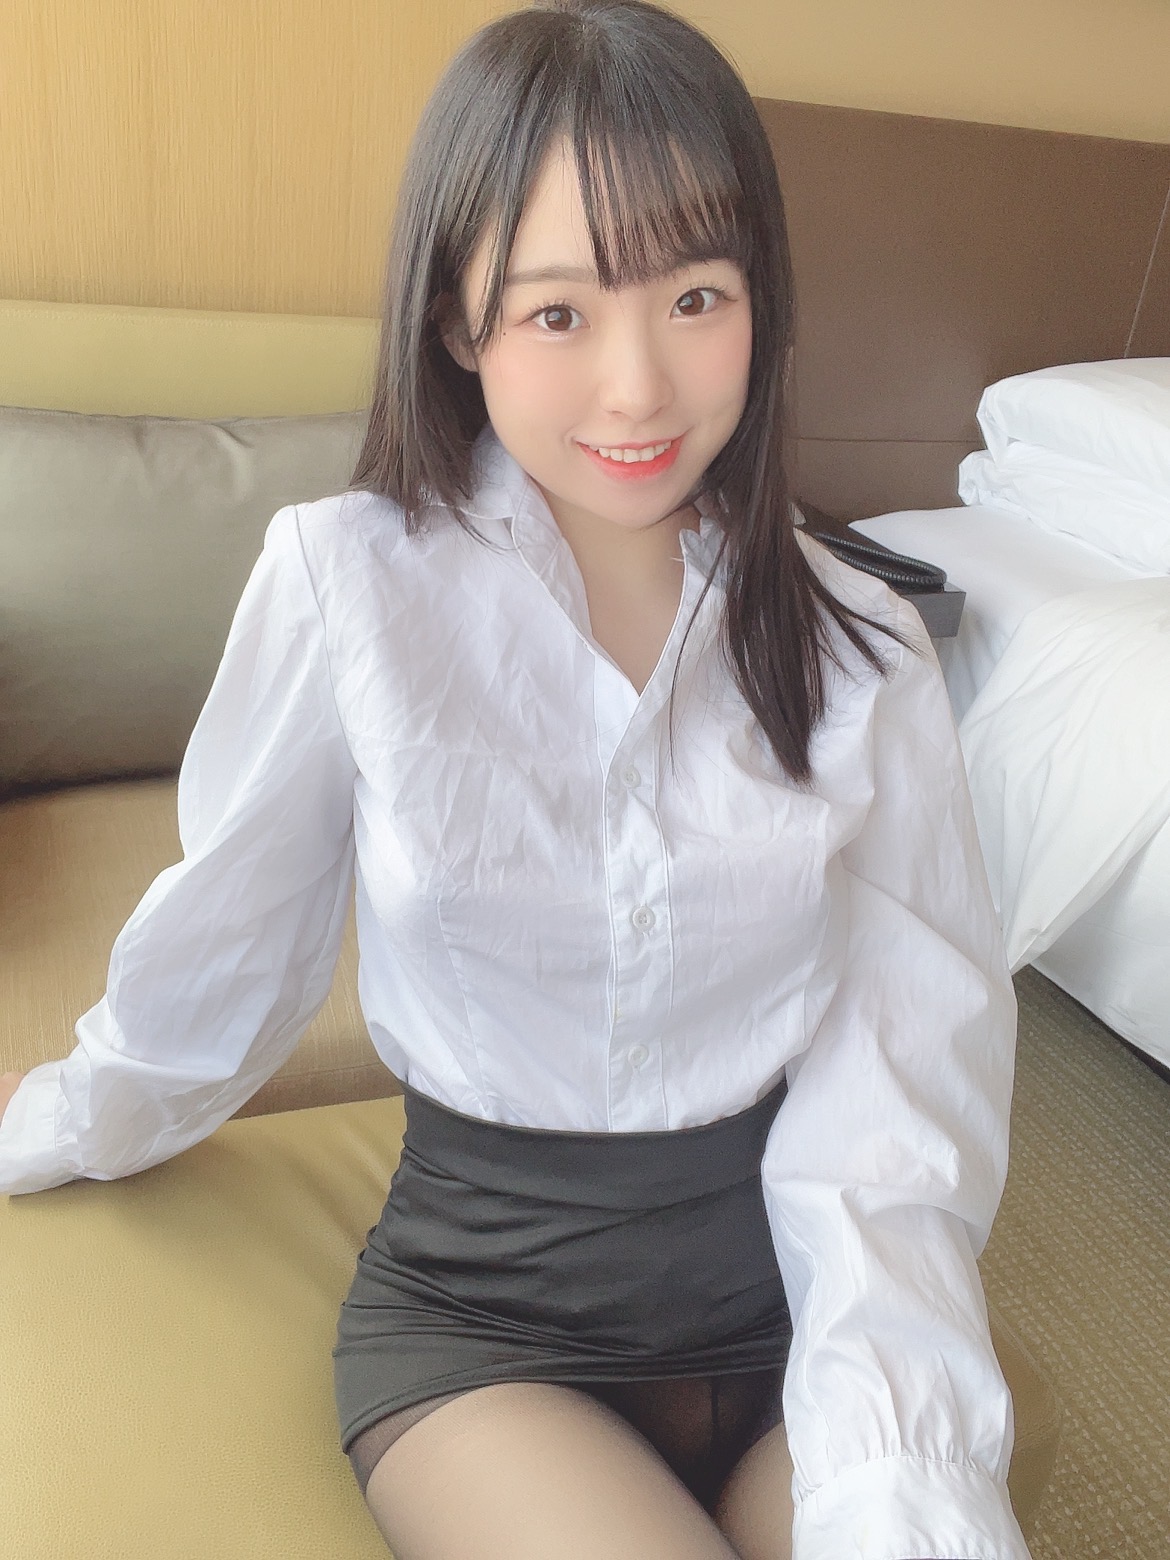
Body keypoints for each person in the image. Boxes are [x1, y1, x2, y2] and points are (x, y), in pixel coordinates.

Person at [0, 3, 1030, 1556]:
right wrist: (68, 1116)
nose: (636, 387)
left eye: (696, 297)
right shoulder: (348, 583)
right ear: (456, 319)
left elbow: (904, 1078)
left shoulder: (863, 644)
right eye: (557, 313)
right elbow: (231, 944)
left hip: (796, 1308)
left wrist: (897, 1462)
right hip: (486, 1325)